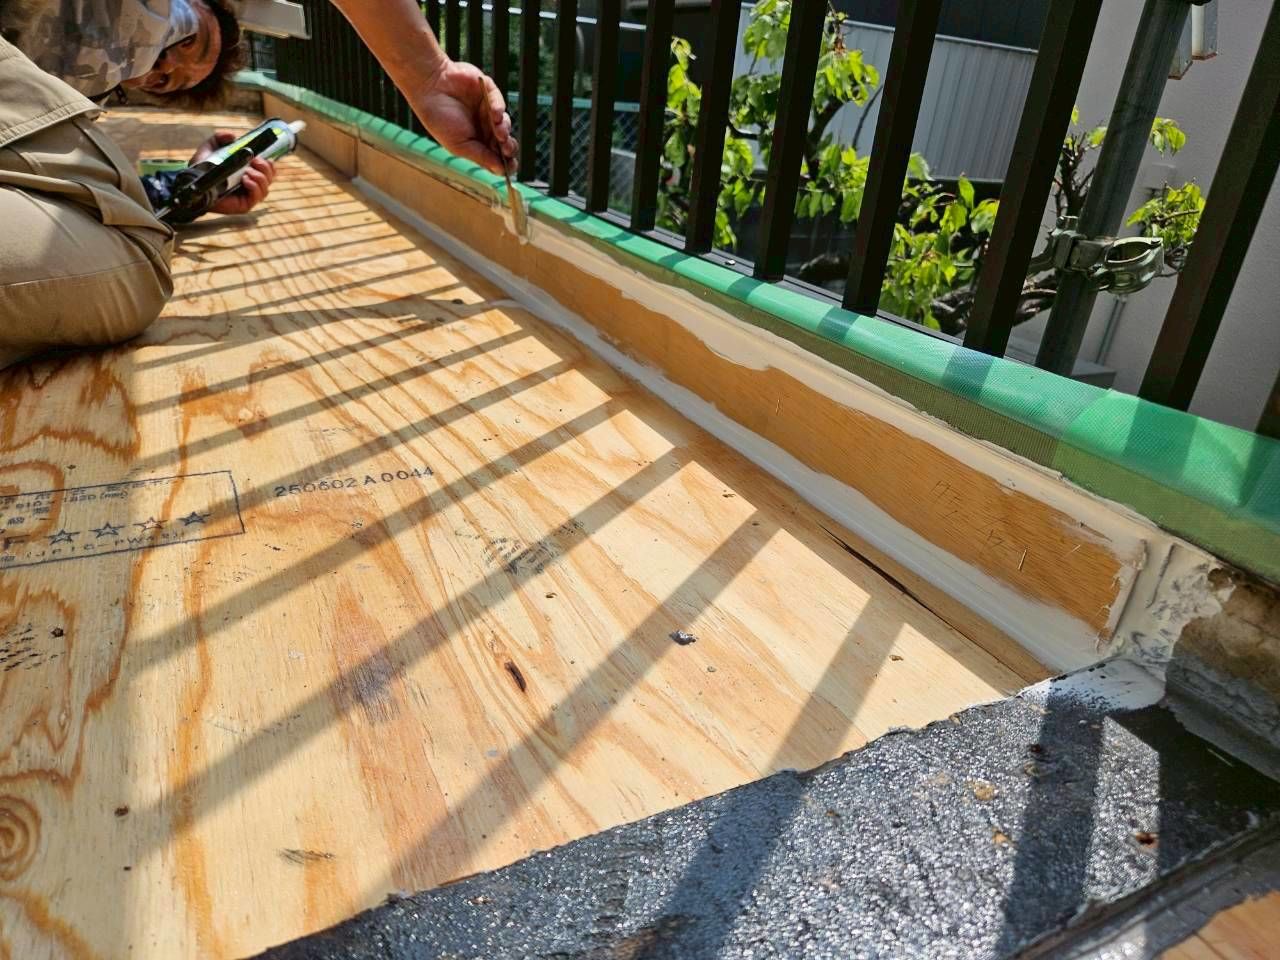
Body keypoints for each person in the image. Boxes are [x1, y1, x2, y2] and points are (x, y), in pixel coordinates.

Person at [0, 0, 515, 368]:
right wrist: (428, 74)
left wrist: (185, 189)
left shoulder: (60, 86)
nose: (165, 61)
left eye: (166, 81)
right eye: (188, 38)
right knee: (135, 270)